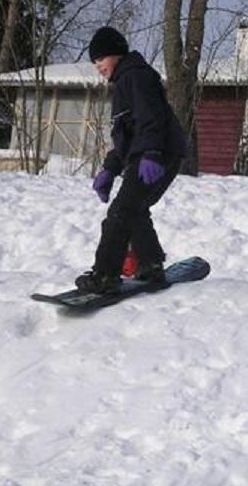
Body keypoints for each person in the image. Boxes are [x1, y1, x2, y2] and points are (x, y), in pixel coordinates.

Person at [75, 26, 187, 293]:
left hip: (158, 153)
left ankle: (105, 275)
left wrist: (152, 153)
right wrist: (109, 169)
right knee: (133, 209)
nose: (98, 67)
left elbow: (152, 116)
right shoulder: (126, 80)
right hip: (157, 151)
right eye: (94, 62)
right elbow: (127, 137)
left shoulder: (134, 76)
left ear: (115, 54)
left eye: (100, 59)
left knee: (121, 212)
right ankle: (149, 264)